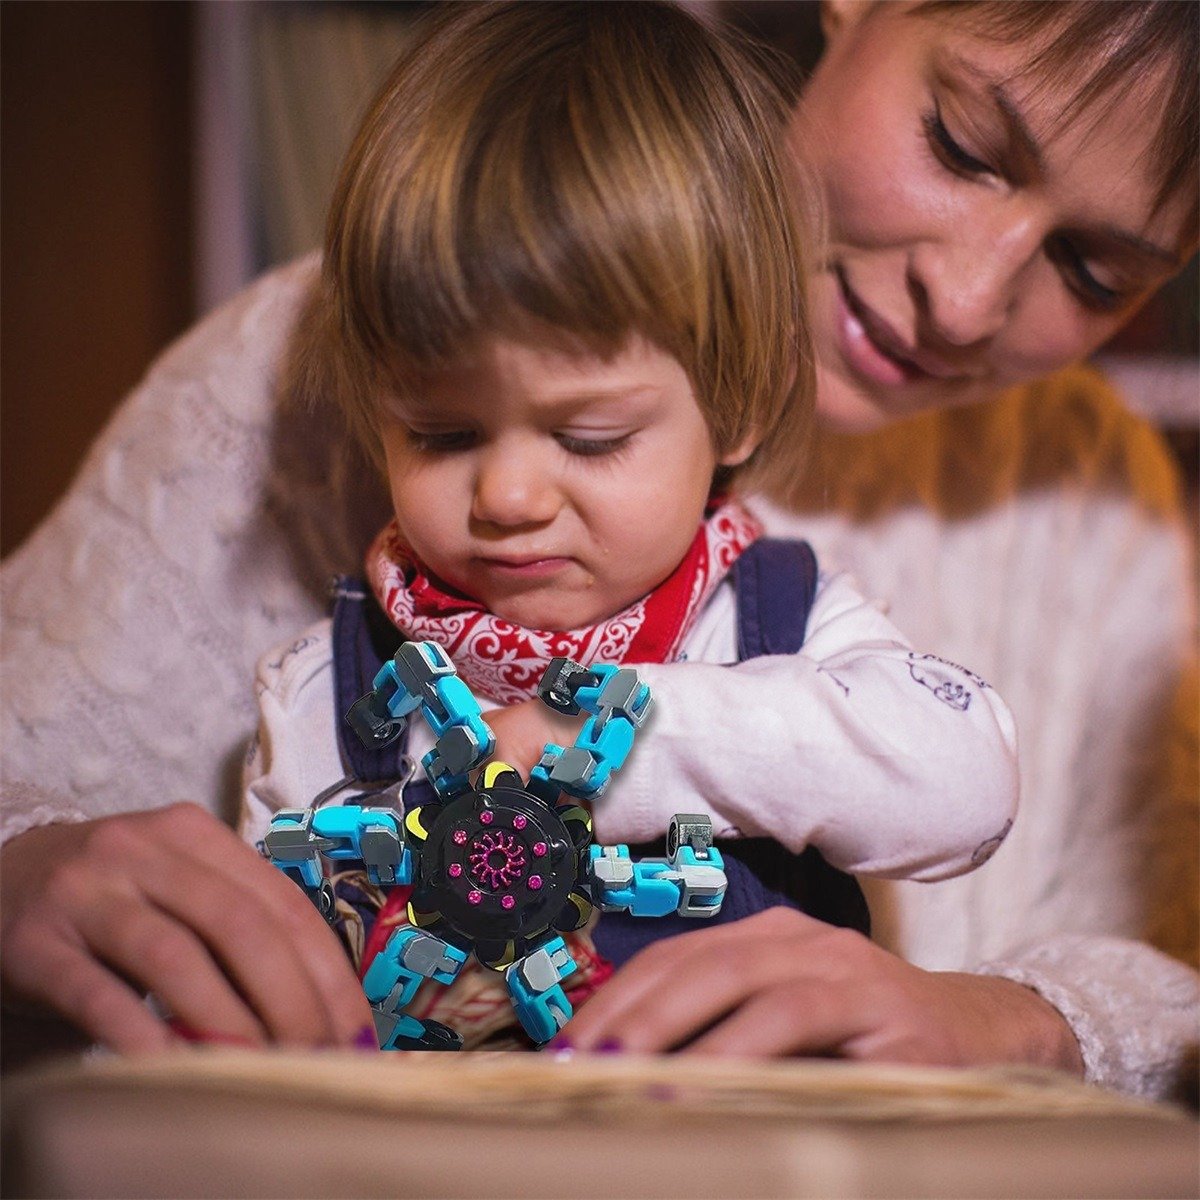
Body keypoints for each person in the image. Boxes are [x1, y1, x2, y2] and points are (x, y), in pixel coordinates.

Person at [1, 0, 1194, 1095]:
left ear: (734, 418)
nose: (968, 297)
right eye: (962, 142)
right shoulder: (356, 351)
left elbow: (1159, 977)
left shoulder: (1087, 498)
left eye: (1094, 271)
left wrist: (1011, 1021)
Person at [237, 0, 1015, 1050]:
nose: (507, 495)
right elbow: (260, 1003)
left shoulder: (779, 621)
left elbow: (965, 779)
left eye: (591, 437)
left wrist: (617, 740)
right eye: (441, 432)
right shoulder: (325, 690)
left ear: (738, 402)